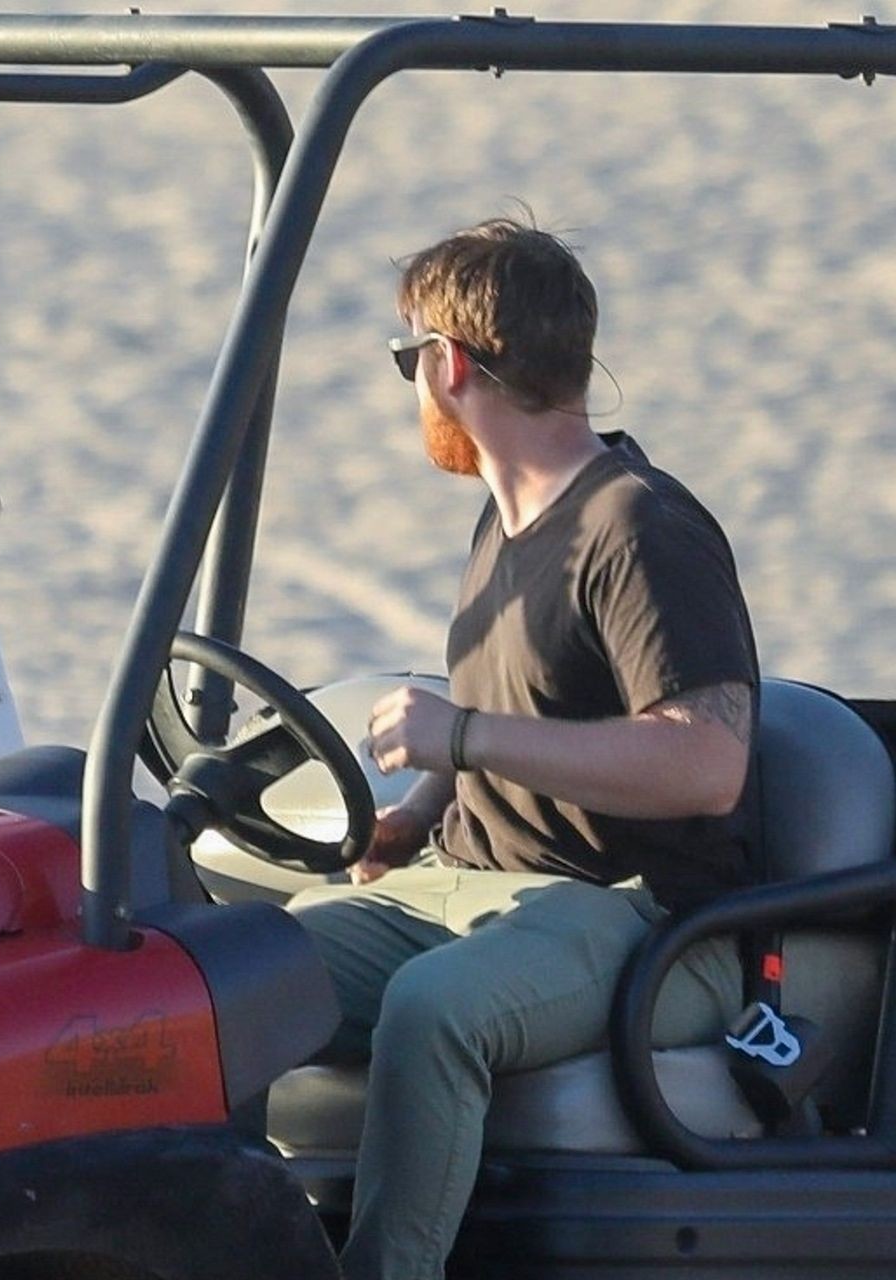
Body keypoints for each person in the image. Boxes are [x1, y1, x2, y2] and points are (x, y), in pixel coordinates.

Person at [286, 218, 757, 1280]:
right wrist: (420, 810)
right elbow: (528, 706)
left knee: (434, 1010)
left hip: (634, 911)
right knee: (234, 974)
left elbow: (707, 763)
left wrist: (460, 734)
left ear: (448, 366)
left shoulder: (639, 529)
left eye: (409, 360)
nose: (414, 386)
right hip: (471, 881)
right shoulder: (506, 520)